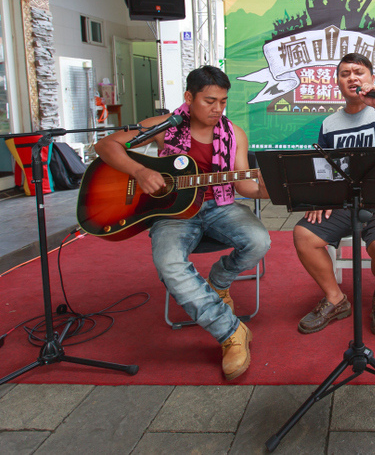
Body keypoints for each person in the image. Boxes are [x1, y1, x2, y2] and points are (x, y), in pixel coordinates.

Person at [94, 66, 270, 380]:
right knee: (169, 263)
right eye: (209, 101)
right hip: (172, 212)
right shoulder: (164, 126)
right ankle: (230, 332)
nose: (218, 109)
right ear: (189, 97)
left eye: (223, 102)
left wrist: (267, 189)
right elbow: (106, 146)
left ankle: (219, 280)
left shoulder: (234, 134)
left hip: (219, 205)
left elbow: (244, 185)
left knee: (260, 241)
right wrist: (140, 172)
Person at [293, 52, 375, 335]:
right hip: (345, 201)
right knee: (304, 235)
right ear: (337, 82)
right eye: (345, 73)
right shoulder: (329, 124)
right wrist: (321, 197)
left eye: (359, 72)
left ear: (372, 79)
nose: (352, 78)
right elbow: (325, 168)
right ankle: (336, 299)